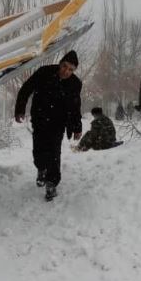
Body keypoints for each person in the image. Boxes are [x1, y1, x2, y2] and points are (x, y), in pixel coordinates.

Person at [15, 50, 83, 201]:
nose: (67, 71)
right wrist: (20, 109)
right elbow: (26, 89)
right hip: (39, 119)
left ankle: (52, 183)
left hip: (58, 123)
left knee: (54, 153)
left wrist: (77, 127)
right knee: (39, 150)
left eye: (71, 69)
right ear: (60, 64)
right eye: (65, 66)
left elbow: (75, 107)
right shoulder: (44, 72)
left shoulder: (75, 84)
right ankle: (41, 169)